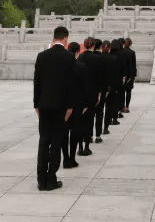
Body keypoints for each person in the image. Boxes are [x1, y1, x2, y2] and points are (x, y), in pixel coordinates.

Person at [33, 26, 76, 191]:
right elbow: (71, 85)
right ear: (65, 40)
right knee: (56, 141)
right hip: (60, 107)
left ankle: (40, 179)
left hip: (44, 105)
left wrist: (36, 104)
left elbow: (37, 82)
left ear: (53, 38)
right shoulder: (69, 57)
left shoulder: (41, 56)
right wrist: (70, 107)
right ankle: (51, 178)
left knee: (44, 141)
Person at [61, 41, 88, 170]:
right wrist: (86, 104)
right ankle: (72, 158)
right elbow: (85, 88)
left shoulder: (61, 66)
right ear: (78, 52)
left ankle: (65, 158)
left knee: (64, 132)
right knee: (75, 132)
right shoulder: (81, 67)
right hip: (77, 104)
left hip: (63, 104)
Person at [77, 37, 103, 157]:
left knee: (80, 120)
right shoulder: (97, 59)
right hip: (92, 92)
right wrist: (99, 92)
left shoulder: (80, 57)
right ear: (93, 46)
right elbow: (99, 78)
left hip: (80, 91)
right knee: (89, 119)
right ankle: (87, 146)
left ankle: (80, 146)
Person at [123, 38, 138, 111]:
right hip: (130, 75)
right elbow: (134, 65)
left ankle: (122, 106)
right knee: (128, 92)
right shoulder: (132, 52)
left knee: (122, 92)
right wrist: (133, 75)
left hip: (122, 74)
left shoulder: (121, 52)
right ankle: (127, 107)